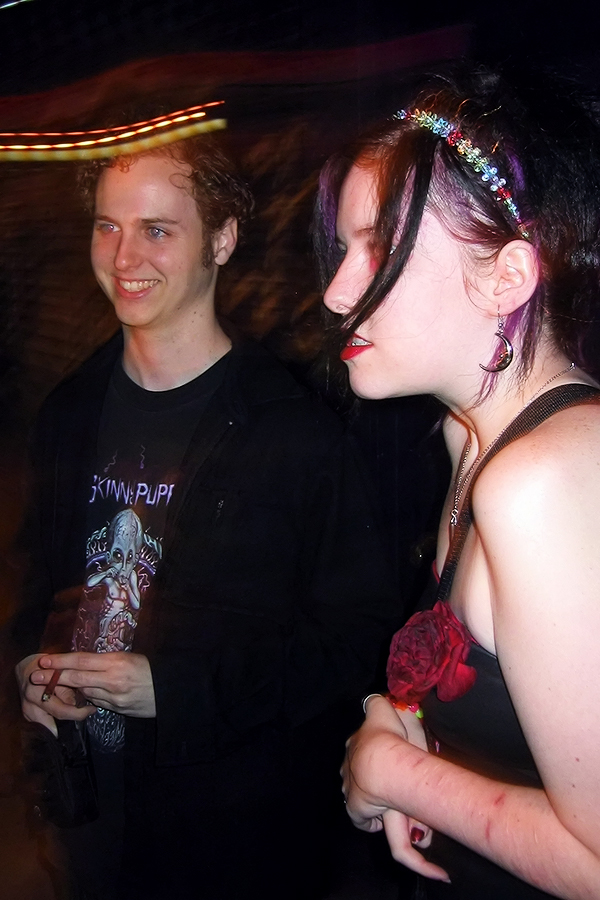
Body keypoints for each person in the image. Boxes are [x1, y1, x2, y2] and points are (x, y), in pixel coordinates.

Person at [10, 128, 396, 899]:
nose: (124, 257)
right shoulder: (68, 412)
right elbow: (35, 584)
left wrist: (180, 690)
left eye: (157, 230)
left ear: (221, 240)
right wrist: (27, 664)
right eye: (108, 225)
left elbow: (355, 643)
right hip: (86, 819)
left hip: (230, 840)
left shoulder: (296, 433)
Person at [314, 66, 600, 899]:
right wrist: (405, 716)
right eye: (345, 250)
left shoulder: (542, 482)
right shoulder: (466, 438)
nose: (336, 293)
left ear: (506, 277)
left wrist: (396, 772)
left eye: (380, 249)